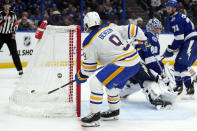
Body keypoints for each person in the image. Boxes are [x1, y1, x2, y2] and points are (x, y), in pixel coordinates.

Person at [75, 11, 147, 127]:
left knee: (95, 83)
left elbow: (89, 68)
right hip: (135, 62)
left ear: (86, 25)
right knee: (111, 86)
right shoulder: (110, 26)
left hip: (124, 64)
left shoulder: (88, 42)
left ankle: (95, 116)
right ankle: (114, 112)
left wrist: (80, 75)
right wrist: (142, 41)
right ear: (99, 21)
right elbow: (133, 29)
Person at [120, 18, 176, 108]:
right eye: (155, 28)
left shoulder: (143, 36)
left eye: (159, 28)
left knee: (137, 83)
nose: (158, 30)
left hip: (126, 64)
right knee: (150, 78)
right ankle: (155, 97)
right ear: (150, 28)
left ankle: (121, 92)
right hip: (135, 63)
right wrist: (162, 73)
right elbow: (151, 61)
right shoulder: (150, 37)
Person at [163, 0, 197, 96]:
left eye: (169, 8)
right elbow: (180, 39)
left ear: (175, 8)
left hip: (192, 41)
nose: (168, 10)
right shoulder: (177, 17)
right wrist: (173, 48)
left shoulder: (176, 19)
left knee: (182, 65)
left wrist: (170, 49)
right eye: (167, 8)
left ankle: (189, 86)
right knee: (177, 65)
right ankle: (179, 86)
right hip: (188, 42)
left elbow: (179, 38)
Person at [0, 0, 23, 76]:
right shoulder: (0, 14)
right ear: (3, 6)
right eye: (5, 5)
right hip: (1, 35)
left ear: (10, 6)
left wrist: (13, 33)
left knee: (14, 53)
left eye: (8, 5)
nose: (6, 6)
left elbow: (15, 24)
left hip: (10, 36)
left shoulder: (13, 14)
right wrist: (4, 20)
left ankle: (20, 69)